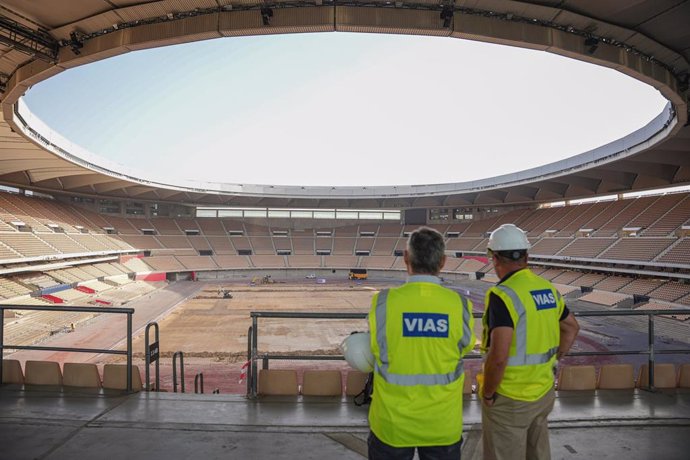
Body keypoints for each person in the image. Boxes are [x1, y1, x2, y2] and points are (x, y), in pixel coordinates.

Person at [367, 226, 475, 460]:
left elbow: (376, 348)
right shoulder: (460, 305)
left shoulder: (382, 302)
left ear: (406, 258)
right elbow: (465, 346)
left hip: (392, 424)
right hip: (442, 424)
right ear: (443, 261)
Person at [480, 224, 580, 460]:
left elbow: (499, 356)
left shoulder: (503, 294)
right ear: (527, 256)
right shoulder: (547, 289)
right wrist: (555, 358)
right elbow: (571, 327)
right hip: (544, 389)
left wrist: (488, 393)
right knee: (538, 452)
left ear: (495, 258)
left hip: (511, 396)